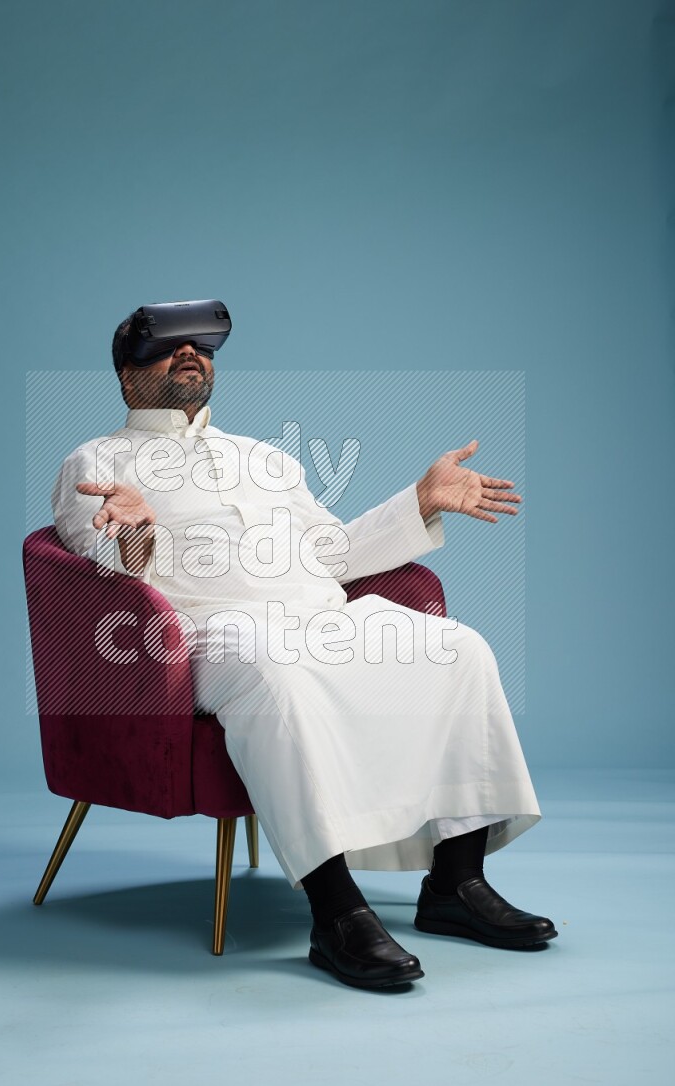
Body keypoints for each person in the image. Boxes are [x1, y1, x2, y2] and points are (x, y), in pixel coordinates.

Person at [51, 308, 557, 991]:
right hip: (202, 636)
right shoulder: (96, 460)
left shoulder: (266, 457)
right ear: (126, 373)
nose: (190, 355)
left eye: (201, 346)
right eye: (168, 348)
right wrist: (136, 527)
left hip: (317, 616)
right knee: (272, 665)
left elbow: (335, 552)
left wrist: (420, 500)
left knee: (457, 649)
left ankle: (456, 883)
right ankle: (336, 912)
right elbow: (110, 575)